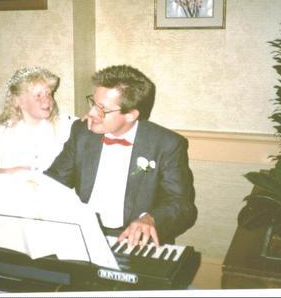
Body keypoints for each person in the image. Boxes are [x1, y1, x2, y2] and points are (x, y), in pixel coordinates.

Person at [45, 65, 197, 248]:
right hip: (83, 233)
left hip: (137, 240)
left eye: (103, 109)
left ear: (131, 115)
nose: (91, 113)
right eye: (93, 103)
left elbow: (182, 204)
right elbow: (54, 182)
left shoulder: (166, 144)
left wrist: (151, 220)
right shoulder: (81, 132)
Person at [0, 66, 76, 174]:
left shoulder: (61, 126)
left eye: (48, 94)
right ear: (19, 102)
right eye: (38, 95)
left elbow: (84, 128)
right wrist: (10, 172)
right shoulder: (1, 133)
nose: (47, 100)